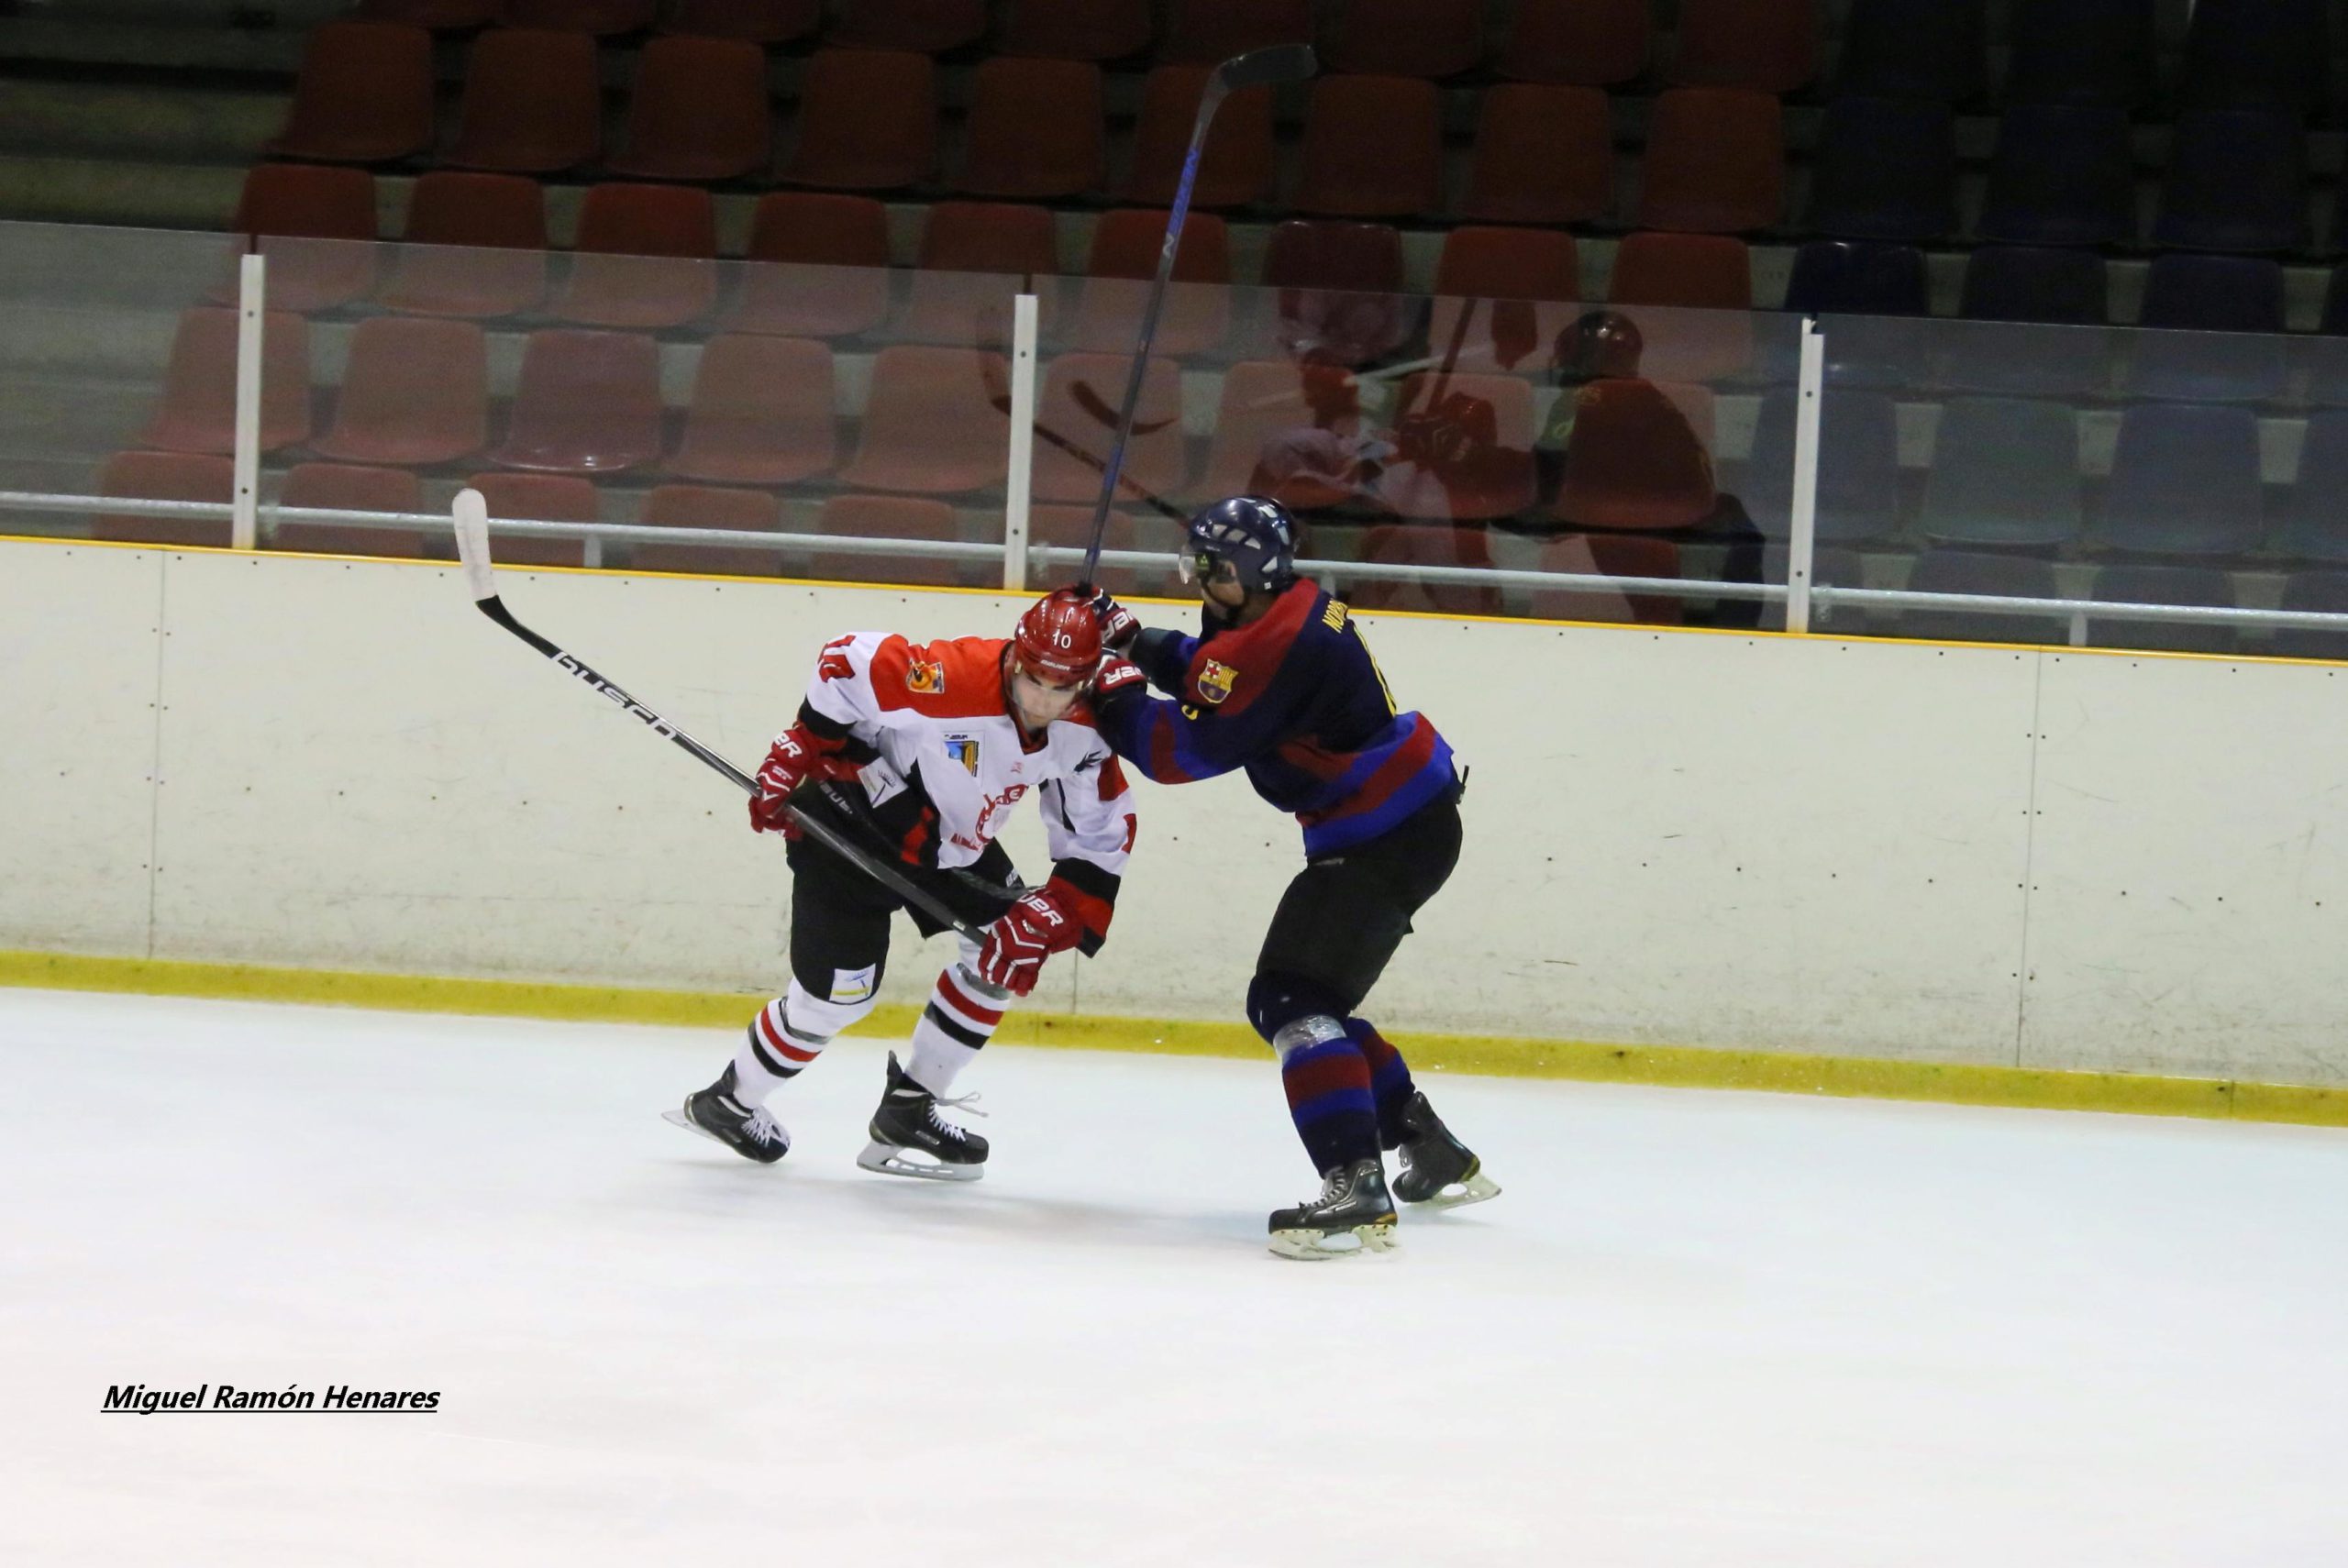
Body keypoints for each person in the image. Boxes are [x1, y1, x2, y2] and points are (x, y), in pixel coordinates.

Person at [1085, 496, 1499, 1260]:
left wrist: (1105, 692)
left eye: (1207, 569)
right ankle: (1422, 1143)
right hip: (1401, 825)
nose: (1197, 580)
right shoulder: (1288, 610)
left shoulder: (1281, 643)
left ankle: (1355, 1184)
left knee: (1291, 1000)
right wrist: (1133, 640)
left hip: (1388, 837)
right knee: (1317, 1004)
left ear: (1243, 574)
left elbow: (1182, 752)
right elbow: (1216, 677)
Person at [667, 591, 1136, 1181]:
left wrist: (1063, 905)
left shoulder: (1089, 732)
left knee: (1010, 943)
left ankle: (911, 1107)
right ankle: (729, 1102)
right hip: (851, 816)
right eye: (1032, 678)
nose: (1042, 699)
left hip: (947, 843)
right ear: (1015, 658)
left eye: (1061, 687)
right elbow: (846, 659)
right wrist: (802, 742)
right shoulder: (954, 677)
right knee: (836, 1000)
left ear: (1087, 681)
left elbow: (1101, 830)